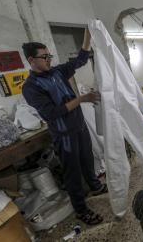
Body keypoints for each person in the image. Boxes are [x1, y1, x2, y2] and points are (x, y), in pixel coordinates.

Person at [21, 29, 107, 225]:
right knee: (72, 173)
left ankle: (95, 185)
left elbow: (80, 61)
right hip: (64, 134)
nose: (49, 60)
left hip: (79, 126)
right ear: (31, 60)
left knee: (87, 160)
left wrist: (87, 37)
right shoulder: (31, 87)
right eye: (44, 57)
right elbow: (52, 113)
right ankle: (81, 210)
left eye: (49, 55)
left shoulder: (57, 72)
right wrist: (82, 99)